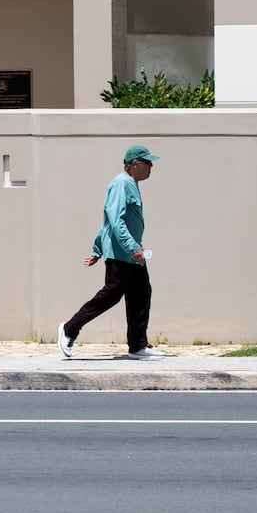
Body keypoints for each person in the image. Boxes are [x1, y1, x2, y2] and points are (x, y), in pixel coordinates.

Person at [57, 145, 165, 361]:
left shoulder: (130, 183)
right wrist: (132, 248)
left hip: (132, 254)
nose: (151, 167)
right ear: (135, 164)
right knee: (111, 295)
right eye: (147, 162)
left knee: (141, 294)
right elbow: (115, 220)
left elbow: (107, 222)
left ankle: (138, 346)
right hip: (123, 254)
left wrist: (97, 249)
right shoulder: (121, 183)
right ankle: (69, 329)